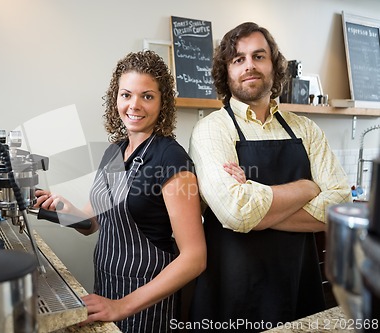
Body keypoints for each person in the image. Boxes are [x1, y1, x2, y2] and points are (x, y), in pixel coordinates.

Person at [188, 22, 352, 331]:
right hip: (231, 293)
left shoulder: (306, 129)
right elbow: (236, 212)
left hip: (297, 287)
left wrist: (255, 201)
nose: (249, 66)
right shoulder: (212, 129)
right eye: (238, 59)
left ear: (274, 66)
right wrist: (307, 187)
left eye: (258, 56)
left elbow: (340, 207)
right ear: (226, 71)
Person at [35, 50, 206, 333]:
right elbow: (94, 222)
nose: (134, 105)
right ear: (116, 98)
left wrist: (123, 306)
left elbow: (194, 257)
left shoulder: (171, 159)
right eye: (126, 95)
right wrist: (62, 210)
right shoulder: (114, 152)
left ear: (162, 103)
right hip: (107, 287)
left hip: (146, 302)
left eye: (147, 96)